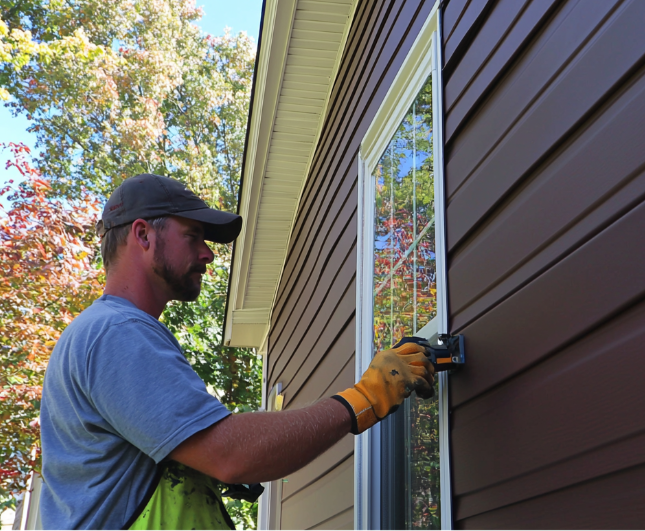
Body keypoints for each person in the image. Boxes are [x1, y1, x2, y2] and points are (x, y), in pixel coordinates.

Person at [40, 174, 435, 530]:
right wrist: (365, 398)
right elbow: (230, 453)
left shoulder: (105, 331)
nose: (208, 254)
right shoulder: (117, 332)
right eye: (193, 236)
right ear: (143, 235)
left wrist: (195, 468)